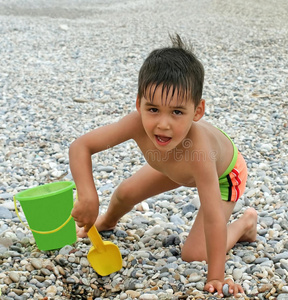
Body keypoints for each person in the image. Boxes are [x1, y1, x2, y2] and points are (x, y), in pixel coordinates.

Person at [69, 34, 258, 297]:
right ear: (139, 104)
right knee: (125, 193)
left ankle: (245, 224)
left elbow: (213, 217)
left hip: (224, 174)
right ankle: (107, 222)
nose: (163, 124)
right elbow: (81, 146)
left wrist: (216, 275)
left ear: (198, 111)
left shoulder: (200, 152)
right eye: (153, 109)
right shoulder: (136, 123)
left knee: (194, 254)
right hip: (174, 165)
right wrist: (88, 195)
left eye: (177, 112)